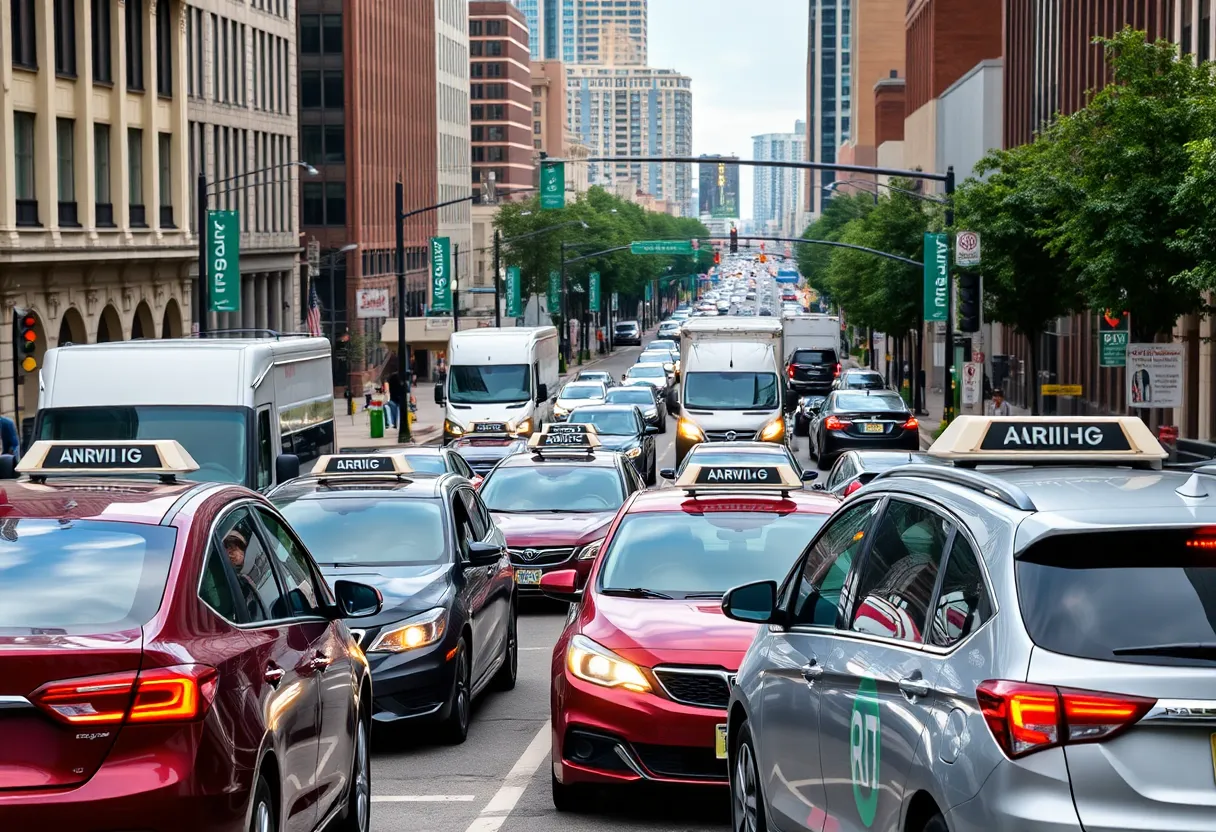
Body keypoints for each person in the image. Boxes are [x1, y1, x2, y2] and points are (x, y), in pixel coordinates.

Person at [224, 529, 269, 620]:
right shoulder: (224, 575)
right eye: (228, 547)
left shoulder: (246, 580)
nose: (231, 552)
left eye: (235, 547)